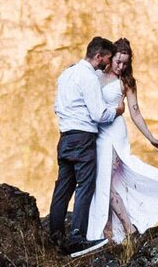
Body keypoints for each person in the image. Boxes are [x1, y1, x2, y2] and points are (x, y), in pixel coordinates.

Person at [81, 38, 158, 250]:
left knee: (105, 183)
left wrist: (151, 137)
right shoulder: (95, 75)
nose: (121, 66)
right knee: (102, 183)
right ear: (110, 57)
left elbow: (135, 112)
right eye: (117, 61)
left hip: (114, 135)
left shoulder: (126, 82)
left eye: (125, 63)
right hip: (97, 135)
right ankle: (107, 233)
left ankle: (129, 229)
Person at [47, 36, 123, 255]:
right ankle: (77, 237)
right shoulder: (88, 77)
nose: (106, 65)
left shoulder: (66, 74)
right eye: (106, 60)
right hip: (83, 139)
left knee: (63, 187)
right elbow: (98, 113)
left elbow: (56, 106)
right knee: (85, 186)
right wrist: (116, 111)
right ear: (98, 56)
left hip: (65, 137)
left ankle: (55, 234)